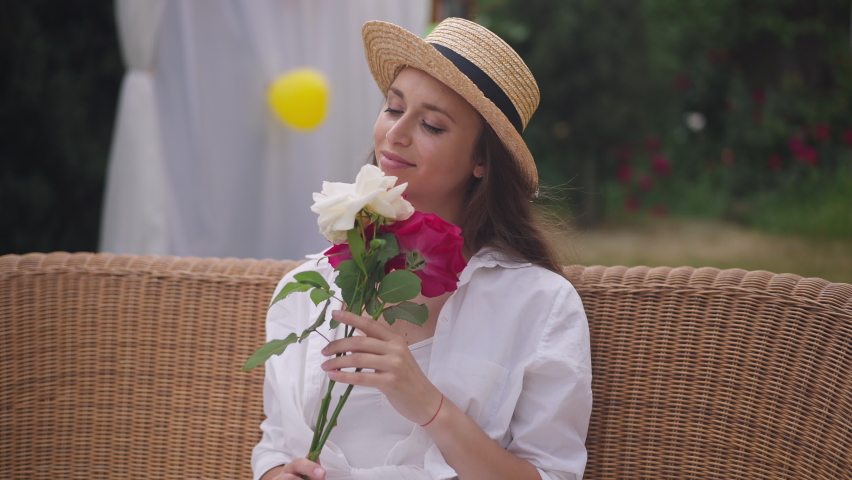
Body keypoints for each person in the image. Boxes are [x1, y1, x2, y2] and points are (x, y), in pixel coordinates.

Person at [252, 17, 592, 480]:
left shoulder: (538, 304)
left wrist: (429, 405)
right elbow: (275, 444)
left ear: (480, 162)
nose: (396, 133)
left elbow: (553, 475)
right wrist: (276, 473)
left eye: (432, 124)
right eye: (393, 109)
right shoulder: (307, 288)